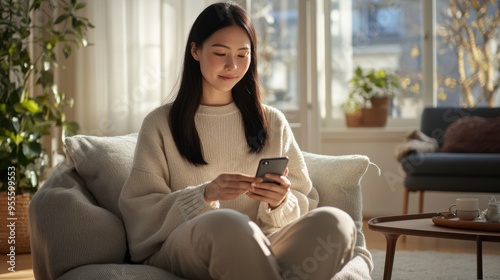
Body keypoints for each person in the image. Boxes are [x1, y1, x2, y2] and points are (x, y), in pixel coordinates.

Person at [118, 2, 356, 279]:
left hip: (265, 245)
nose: (232, 66)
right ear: (195, 50)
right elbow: (141, 215)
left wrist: (280, 202)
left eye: (243, 55)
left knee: (337, 222)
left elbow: (304, 204)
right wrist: (205, 194)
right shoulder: (160, 124)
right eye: (220, 53)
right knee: (228, 224)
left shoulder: (272, 122)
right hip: (185, 247)